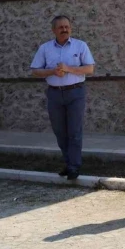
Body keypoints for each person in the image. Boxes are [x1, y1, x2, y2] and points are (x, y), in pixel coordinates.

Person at [30, 16, 95, 180]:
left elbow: (89, 68)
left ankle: (74, 167)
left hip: (75, 92)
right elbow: (35, 70)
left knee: (74, 131)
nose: (64, 30)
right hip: (54, 94)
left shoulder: (80, 46)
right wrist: (52, 71)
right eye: (61, 27)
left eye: (67, 27)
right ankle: (68, 162)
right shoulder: (45, 48)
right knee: (60, 132)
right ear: (54, 30)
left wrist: (68, 69)